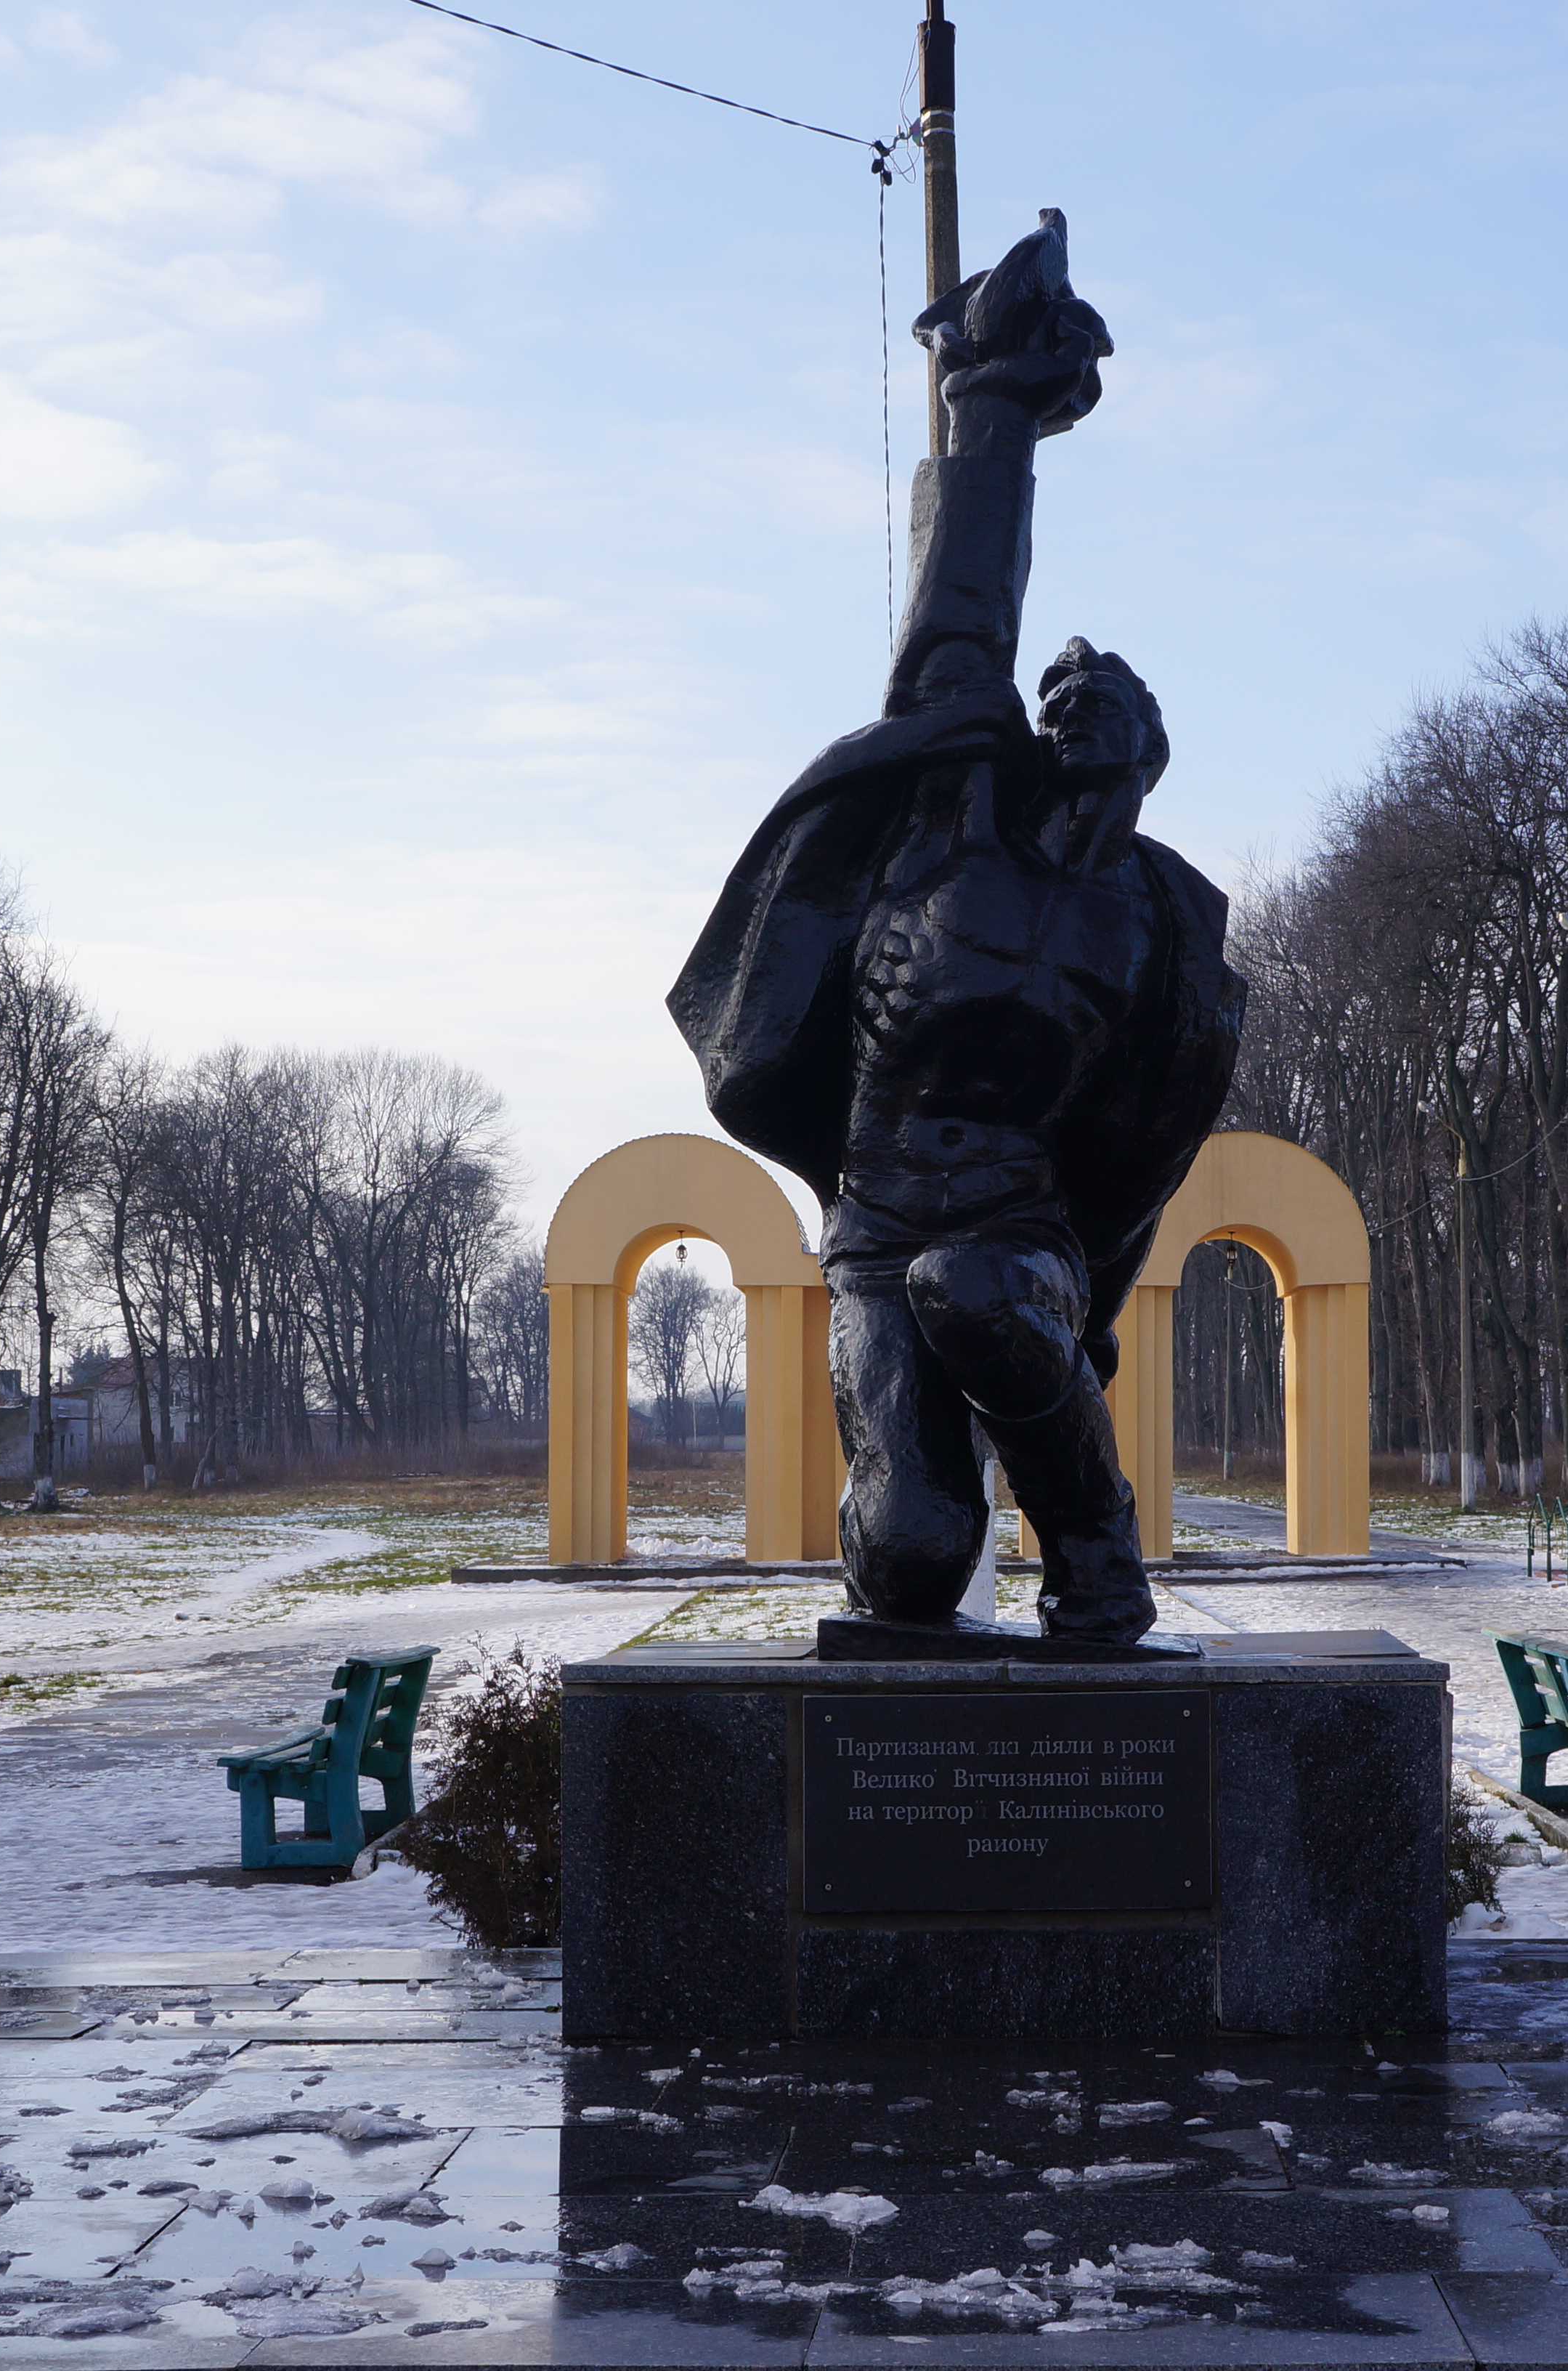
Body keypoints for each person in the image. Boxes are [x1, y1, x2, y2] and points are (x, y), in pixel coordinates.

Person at [667, 213, 1242, 1644]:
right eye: (1068, 701)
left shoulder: (1155, 926)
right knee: (914, 1555)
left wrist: (1090, 1287)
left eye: (1116, 697)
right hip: (876, 1221)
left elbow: (1144, 1145)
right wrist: (991, 410)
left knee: (976, 1290)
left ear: (1156, 745)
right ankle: (934, 1542)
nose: (1082, 707)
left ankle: (1093, 1539)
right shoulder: (952, 830)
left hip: (1018, 1234)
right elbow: (962, 613)